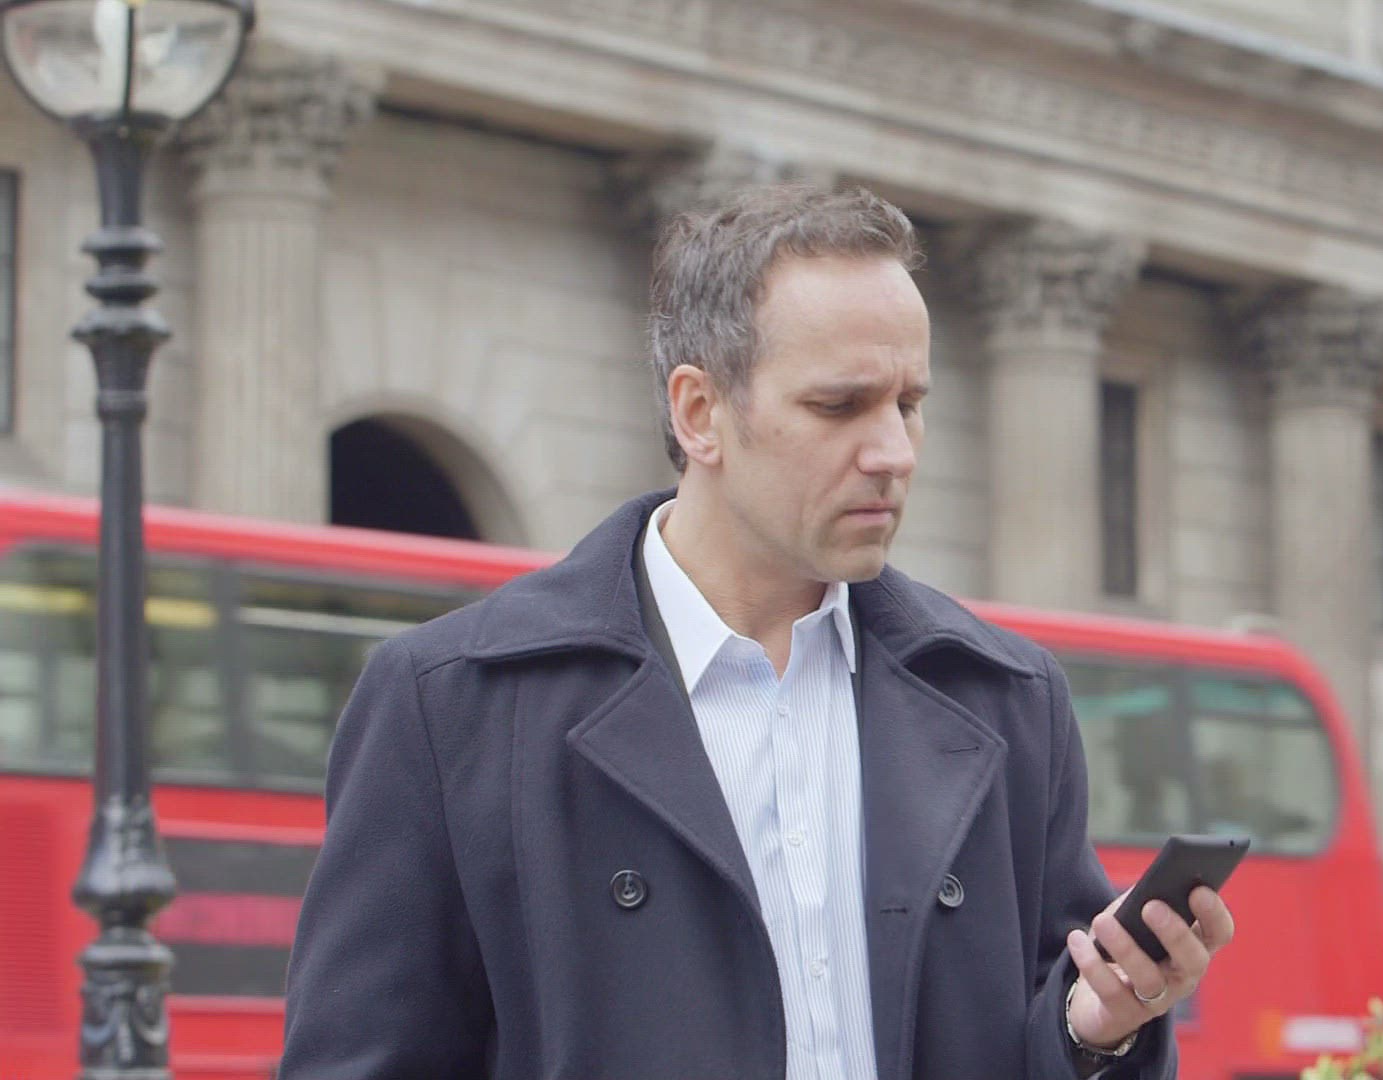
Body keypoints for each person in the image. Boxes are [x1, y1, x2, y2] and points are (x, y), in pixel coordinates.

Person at [279, 186, 1235, 1079]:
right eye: (839, 405)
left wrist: (1094, 1027)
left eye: (909, 404)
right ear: (700, 414)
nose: (893, 452)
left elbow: (1035, 1031)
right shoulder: (452, 703)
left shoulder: (1007, 698)